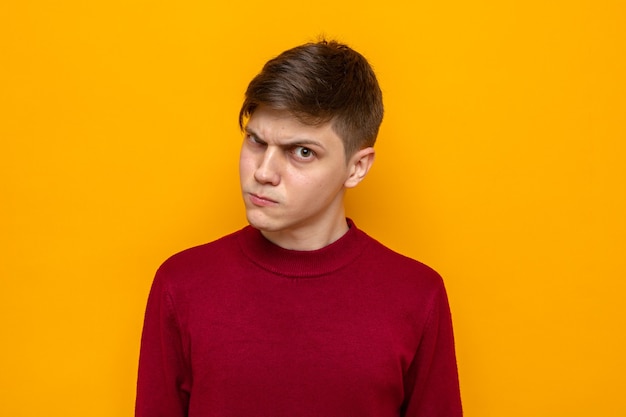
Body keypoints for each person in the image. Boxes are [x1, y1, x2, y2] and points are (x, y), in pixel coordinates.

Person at [136, 39, 462, 417]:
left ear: (357, 167)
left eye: (302, 152)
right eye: (256, 141)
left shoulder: (417, 295)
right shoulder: (181, 284)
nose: (263, 172)